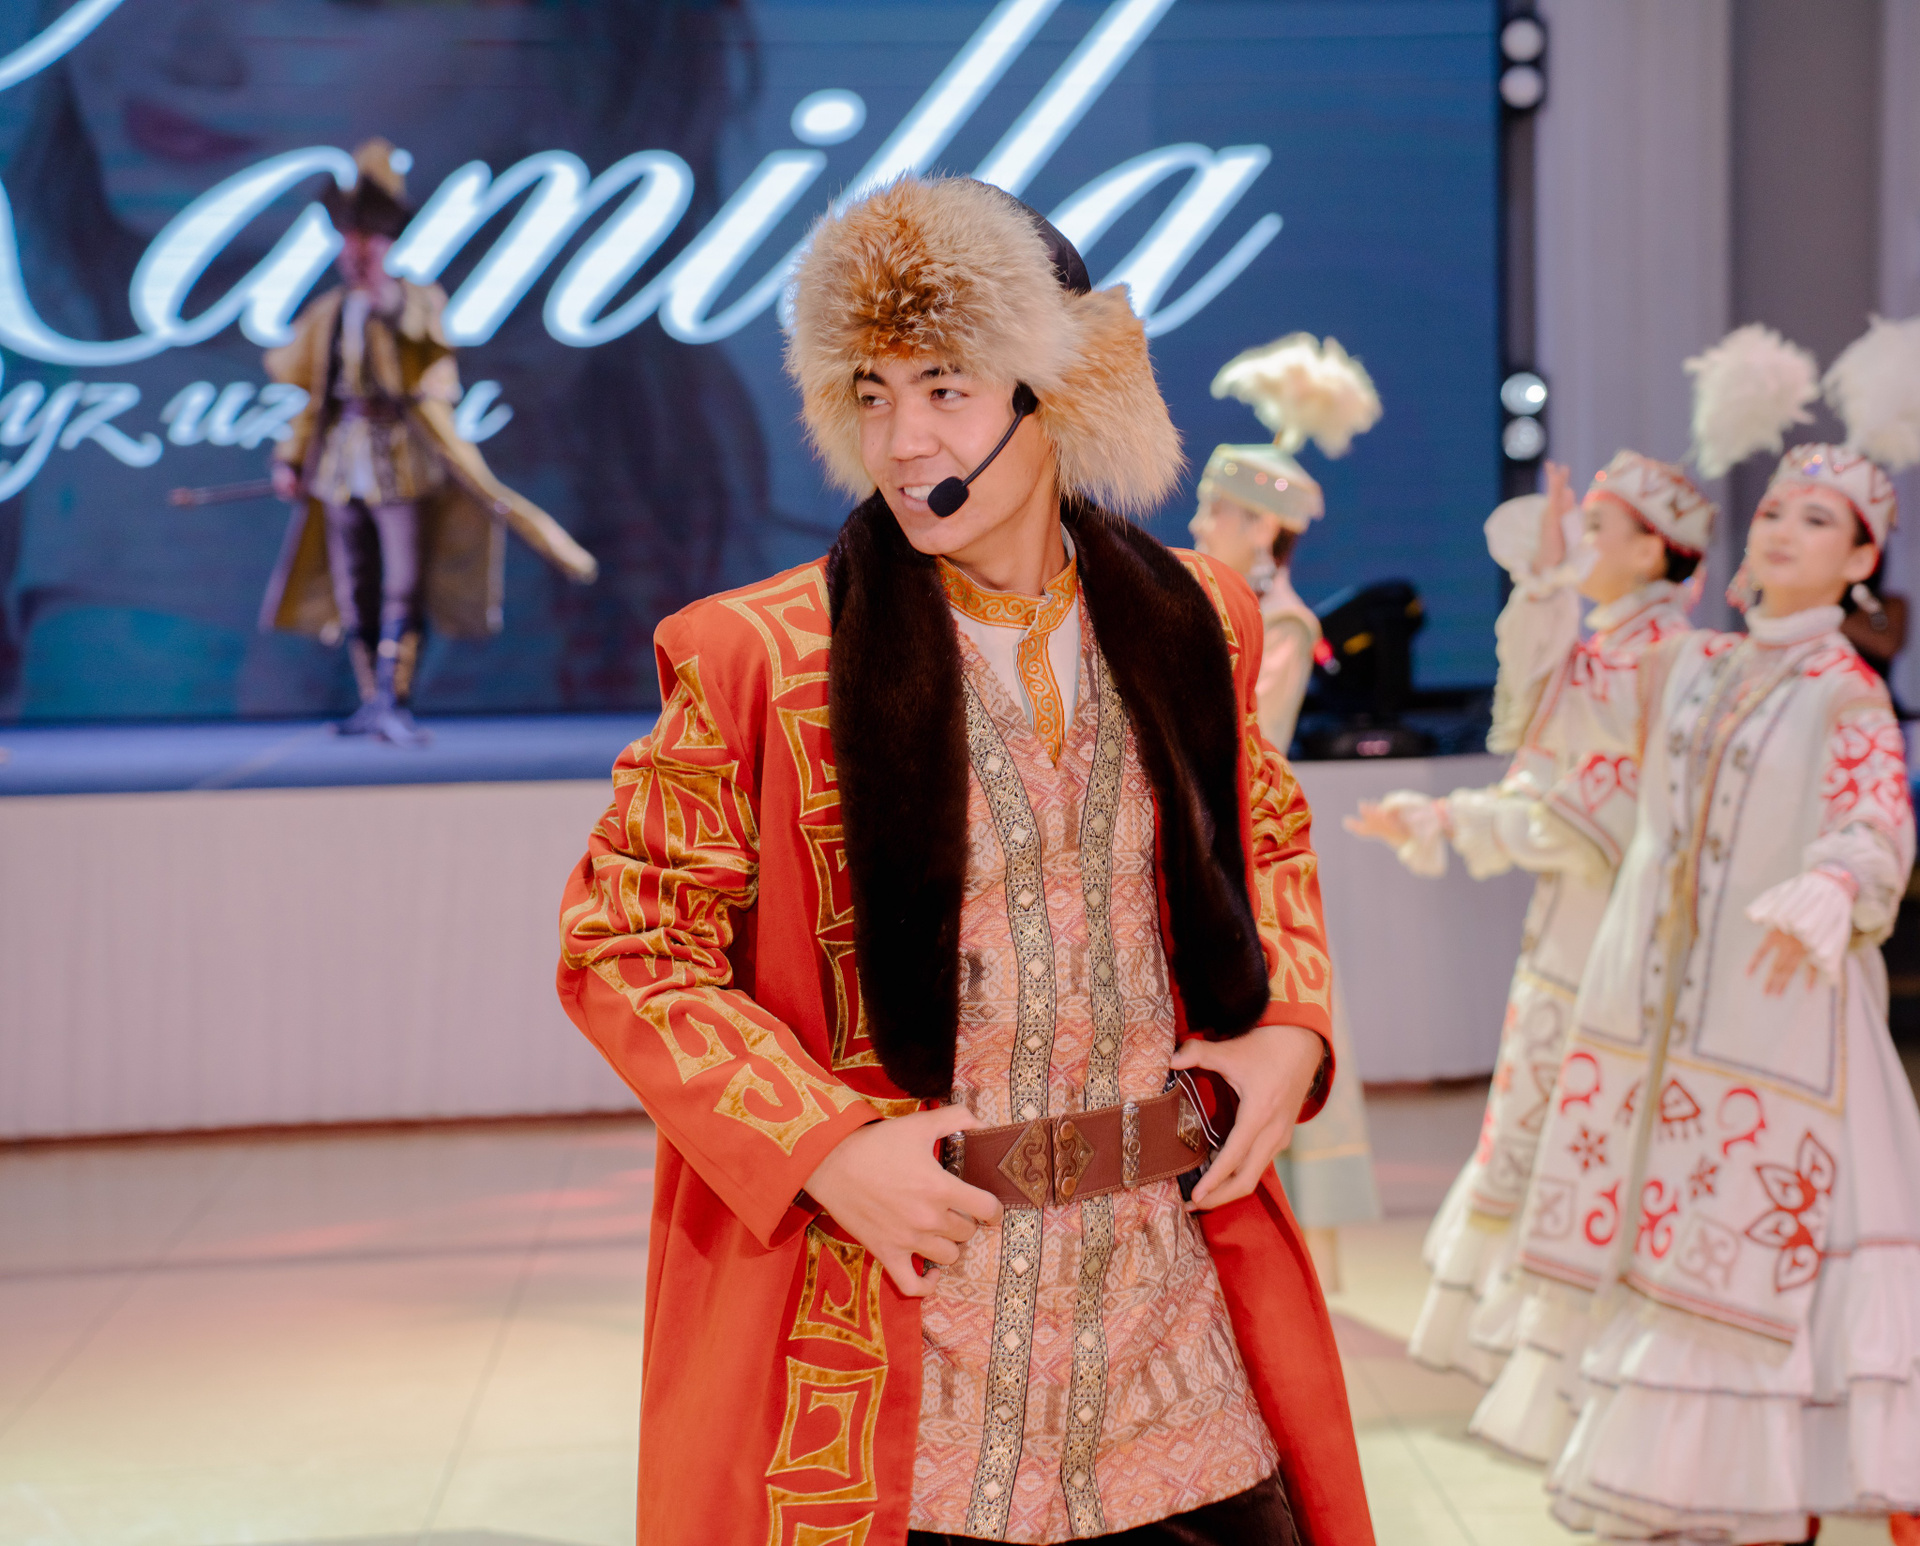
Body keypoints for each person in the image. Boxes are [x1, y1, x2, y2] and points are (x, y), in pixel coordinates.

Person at [556, 175, 1373, 1546]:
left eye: (945, 386)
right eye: (870, 393)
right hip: (911, 1330)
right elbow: (624, 943)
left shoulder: (1199, 617)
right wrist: (824, 1148)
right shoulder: (760, 658)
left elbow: (1268, 826)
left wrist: (1291, 1025)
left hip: (1169, 1329)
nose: (901, 437)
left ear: (1060, 390)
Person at [1493, 440, 1920, 1543]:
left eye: (1817, 520)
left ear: (1861, 559)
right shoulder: (1689, 663)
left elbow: (1875, 816)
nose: (1782, 530)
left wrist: (1838, 880)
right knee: (1666, 1263)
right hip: (1659, 1027)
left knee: (1772, 1292)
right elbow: (1552, 707)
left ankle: (1771, 1507)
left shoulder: (1846, 689)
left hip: (1780, 1024)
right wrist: (1548, 578)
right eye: (1774, 510)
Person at [1346, 453, 1713, 1406]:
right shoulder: (1609, 650)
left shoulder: (1671, 658)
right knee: (1551, 1119)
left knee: (1604, 1129)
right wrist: (1445, 819)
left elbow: (1602, 809)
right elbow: (1547, 779)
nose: (1578, 547)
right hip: (1574, 926)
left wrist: (1467, 821)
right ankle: (1549, 1350)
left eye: (1597, 530)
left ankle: (1603, 1354)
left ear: (1654, 550)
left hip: (1627, 938)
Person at [259, 139, 598, 743]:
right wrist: (291, 458)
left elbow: (424, 348)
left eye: (367, 239)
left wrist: (382, 297)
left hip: (402, 459)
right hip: (342, 462)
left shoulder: (414, 299)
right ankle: (371, 697)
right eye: (349, 239)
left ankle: (396, 698)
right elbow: (315, 399)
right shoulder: (330, 314)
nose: (355, 251)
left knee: (402, 583)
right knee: (354, 586)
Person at [1188, 334, 1385, 1289]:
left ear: (1263, 529)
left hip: (1246, 859)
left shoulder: (1289, 626)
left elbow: (1249, 743)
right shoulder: (1199, 607)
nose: (1199, 522)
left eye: (1217, 510)